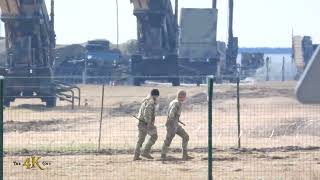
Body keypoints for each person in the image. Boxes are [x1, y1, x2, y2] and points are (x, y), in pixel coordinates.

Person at [161, 90, 193, 161]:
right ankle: (163, 156)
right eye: (185, 96)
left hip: (175, 125)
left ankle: (185, 155)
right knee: (168, 139)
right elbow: (171, 114)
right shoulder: (176, 103)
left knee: (186, 137)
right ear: (182, 96)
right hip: (172, 125)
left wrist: (176, 120)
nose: (185, 98)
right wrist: (173, 121)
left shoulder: (174, 102)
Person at [133, 89, 160, 161]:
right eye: (157, 96)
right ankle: (146, 152)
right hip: (145, 123)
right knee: (154, 136)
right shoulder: (151, 102)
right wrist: (149, 123)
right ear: (155, 96)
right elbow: (147, 112)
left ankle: (136, 155)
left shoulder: (146, 100)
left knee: (140, 139)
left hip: (140, 122)